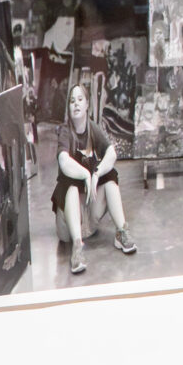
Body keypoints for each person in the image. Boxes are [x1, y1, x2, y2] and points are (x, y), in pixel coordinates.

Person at [54, 80, 137, 276]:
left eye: (79, 99)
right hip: (69, 226)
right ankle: (77, 249)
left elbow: (112, 154)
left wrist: (97, 173)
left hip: (89, 219)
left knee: (110, 174)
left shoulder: (93, 128)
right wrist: (85, 174)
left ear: (87, 105)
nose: (75, 104)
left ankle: (121, 231)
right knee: (70, 183)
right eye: (72, 101)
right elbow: (64, 161)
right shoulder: (66, 131)